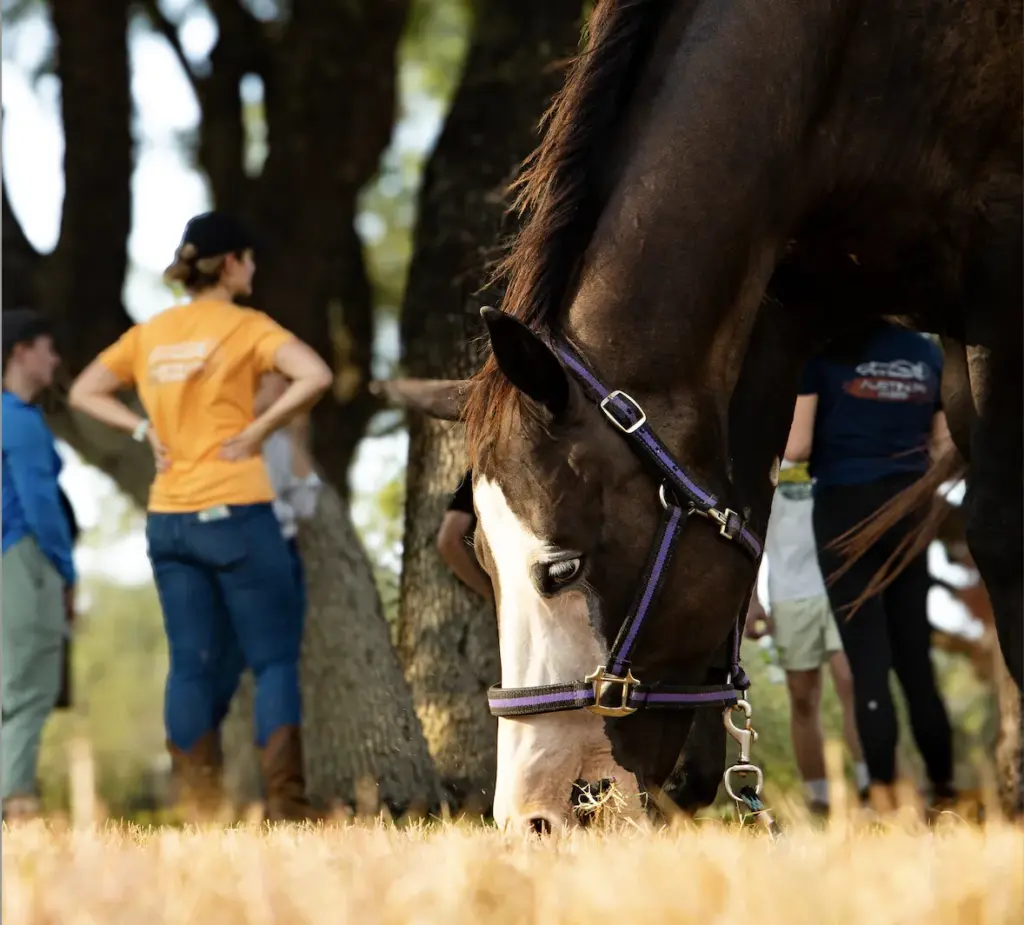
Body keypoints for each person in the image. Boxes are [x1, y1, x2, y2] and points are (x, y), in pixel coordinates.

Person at [67, 211, 334, 823]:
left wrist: (142, 429)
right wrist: (261, 429)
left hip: (171, 521)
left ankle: (199, 808)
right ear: (232, 263)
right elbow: (315, 374)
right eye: (250, 259)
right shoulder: (246, 326)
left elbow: (83, 391)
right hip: (238, 511)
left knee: (190, 664)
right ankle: (287, 805)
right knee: (272, 661)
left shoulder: (151, 334)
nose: (254, 269)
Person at [785, 319, 956, 813]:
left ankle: (883, 796)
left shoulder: (824, 349)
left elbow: (796, 447)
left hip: (843, 508)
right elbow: (945, 445)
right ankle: (946, 792)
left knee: (868, 666)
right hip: (911, 507)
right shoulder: (926, 351)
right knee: (916, 662)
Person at [745, 459, 869, 816]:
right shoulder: (763, 450)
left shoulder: (833, 439)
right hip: (789, 594)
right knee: (802, 697)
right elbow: (750, 525)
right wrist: (752, 599)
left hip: (844, 585)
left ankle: (870, 789)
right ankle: (820, 798)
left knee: (852, 683)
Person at [1, 309, 75, 821]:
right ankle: (16, 803)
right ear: (21, 352)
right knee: (29, 685)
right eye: (47, 349)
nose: (54, 360)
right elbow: (41, 506)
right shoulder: (20, 420)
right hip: (22, 556)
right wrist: (66, 572)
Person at [436, 469, 492, 601]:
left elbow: (448, 542)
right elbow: (448, 543)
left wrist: (490, 593)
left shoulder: (481, 472)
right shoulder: (480, 473)